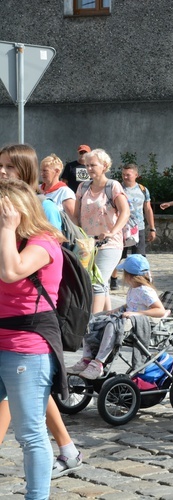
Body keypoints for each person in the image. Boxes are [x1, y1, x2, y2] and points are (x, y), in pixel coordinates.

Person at [0, 145, 84, 479]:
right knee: (29, 406)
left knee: (29, 425)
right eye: (0, 166)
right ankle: (67, 448)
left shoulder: (41, 212)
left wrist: (9, 229)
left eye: (8, 167)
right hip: (8, 333)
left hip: (30, 333)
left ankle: (66, 450)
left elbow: (20, 268)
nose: (2, 172)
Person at [0, 178, 66, 499]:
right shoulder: (9, 240)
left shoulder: (44, 243)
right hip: (1, 343)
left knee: (30, 433)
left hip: (27, 349)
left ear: (17, 213)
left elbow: (12, 273)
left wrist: (6, 228)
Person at [68, 254, 166, 380]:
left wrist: (136, 314)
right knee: (90, 321)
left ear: (130, 275)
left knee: (112, 325)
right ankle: (87, 359)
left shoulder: (145, 291)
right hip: (127, 319)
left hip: (137, 323)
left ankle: (98, 363)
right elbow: (132, 303)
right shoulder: (134, 288)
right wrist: (117, 309)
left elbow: (160, 310)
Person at [74, 148, 130, 314]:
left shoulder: (113, 186)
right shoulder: (83, 187)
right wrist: (78, 234)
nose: (89, 168)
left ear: (104, 166)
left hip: (110, 243)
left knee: (95, 284)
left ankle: (93, 320)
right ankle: (107, 319)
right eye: (87, 165)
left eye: (93, 165)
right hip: (88, 244)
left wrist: (112, 232)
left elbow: (125, 212)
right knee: (101, 283)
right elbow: (75, 215)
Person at [110, 163, 156, 291]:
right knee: (118, 255)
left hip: (138, 228)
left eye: (128, 175)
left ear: (136, 175)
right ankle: (114, 279)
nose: (125, 177)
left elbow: (148, 209)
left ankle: (140, 280)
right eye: (123, 174)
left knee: (140, 256)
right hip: (121, 228)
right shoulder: (117, 189)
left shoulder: (143, 189)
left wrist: (152, 228)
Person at [39, 154, 76, 218]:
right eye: (41, 170)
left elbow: (74, 220)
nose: (41, 174)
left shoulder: (65, 193)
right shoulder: (36, 189)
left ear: (57, 171)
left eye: (45, 171)